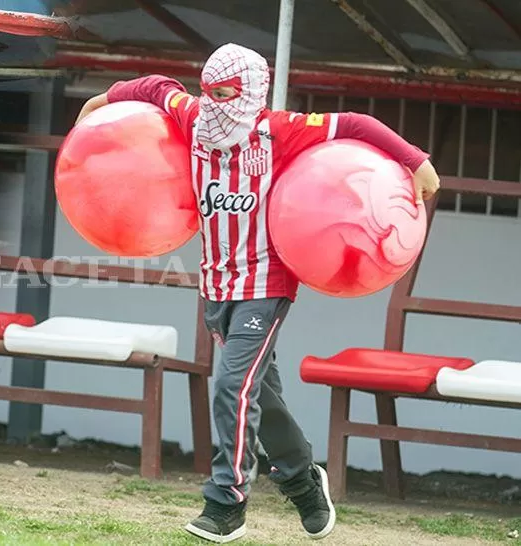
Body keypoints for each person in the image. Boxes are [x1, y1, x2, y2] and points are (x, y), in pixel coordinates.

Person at [76, 43, 440, 543]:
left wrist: (414, 160)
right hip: (217, 289)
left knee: (230, 386)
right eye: (209, 92)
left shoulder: (282, 131)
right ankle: (303, 481)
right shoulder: (194, 117)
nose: (215, 103)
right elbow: (156, 88)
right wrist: (106, 96)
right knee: (259, 397)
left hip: (265, 286)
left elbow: (355, 124)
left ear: (249, 93)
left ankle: (225, 504)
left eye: (225, 94)